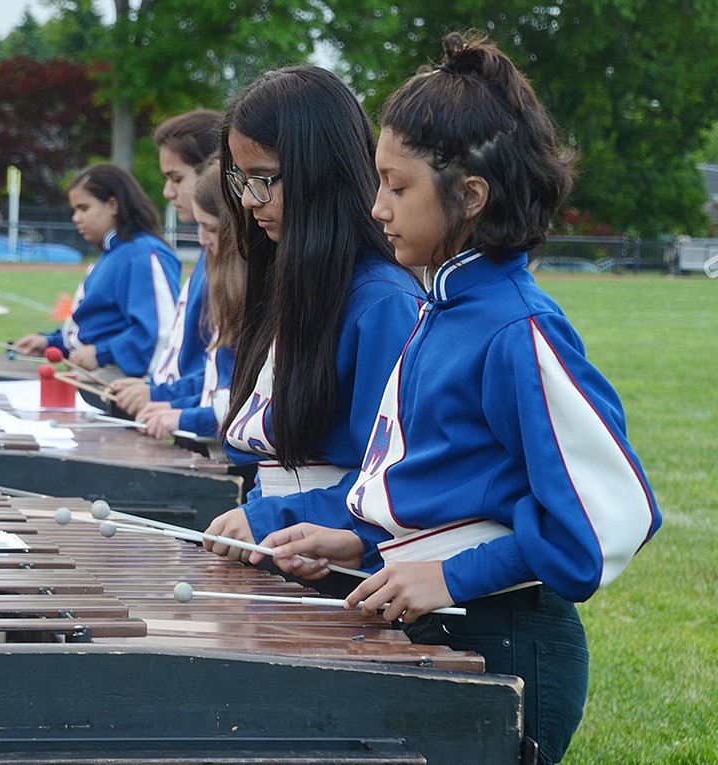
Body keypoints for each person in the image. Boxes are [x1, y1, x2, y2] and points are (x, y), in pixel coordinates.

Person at [251, 32, 663, 765]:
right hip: (444, 623)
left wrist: (447, 575)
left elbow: (606, 520)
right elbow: (455, 494)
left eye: (398, 185)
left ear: (470, 196)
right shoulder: (440, 309)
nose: (376, 206)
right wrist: (360, 539)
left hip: (504, 644)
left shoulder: (516, 327)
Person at [201, 66, 423, 559]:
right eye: (240, 179)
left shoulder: (383, 303)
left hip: (345, 569)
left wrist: (275, 518)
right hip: (285, 546)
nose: (247, 200)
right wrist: (258, 513)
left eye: (263, 180)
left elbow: (394, 481)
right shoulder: (288, 282)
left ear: (321, 173)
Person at [13, 163, 181, 376]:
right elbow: (100, 327)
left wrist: (102, 353)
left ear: (112, 205)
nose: (76, 218)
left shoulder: (144, 254)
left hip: (125, 386)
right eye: (75, 210)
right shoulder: (111, 254)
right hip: (97, 377)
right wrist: (51, 341)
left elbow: (160, 333)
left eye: (84, 208)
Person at [112, 109, 223, 416]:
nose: (167, 192)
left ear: (211, 171)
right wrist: (156, 390)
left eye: (177, 178)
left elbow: (224, 375)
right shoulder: (208, 250)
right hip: (183, 415)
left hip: (204, 426)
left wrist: (166, 398)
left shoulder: (232, 260)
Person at [136, 161, 242, 441]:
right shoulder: (218, 272)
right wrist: (172, 405)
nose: (202, 239)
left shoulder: (255, 293)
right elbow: (215, 383)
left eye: (212, 228)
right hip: (215, 433)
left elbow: (252, 405)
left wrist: (180, 411)